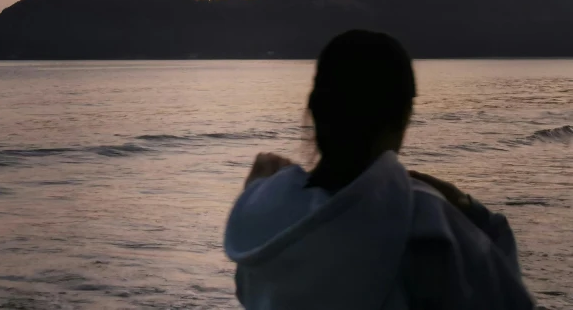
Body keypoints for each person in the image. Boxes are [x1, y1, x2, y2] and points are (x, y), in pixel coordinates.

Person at [224, 30, 535, 309]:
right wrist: (474, 212)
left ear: (315, 109)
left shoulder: (264, 219)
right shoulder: (425, 220)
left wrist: (260, 192)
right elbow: (505, 296)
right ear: (402, 117)